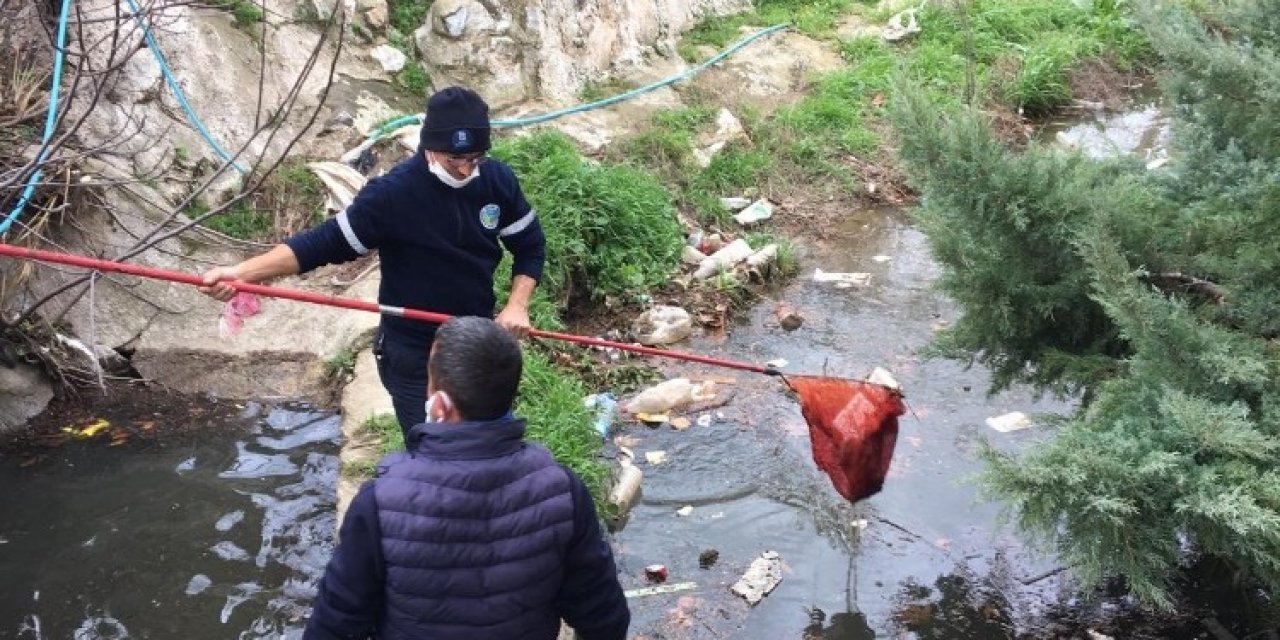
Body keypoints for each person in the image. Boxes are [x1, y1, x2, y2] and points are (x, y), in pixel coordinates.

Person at [201, 86, 546, 438]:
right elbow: (322, 244)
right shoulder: (392, 195)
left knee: (486, 444)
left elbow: (530, 246)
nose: (463, 169)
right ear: (428, 147)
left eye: (474, 158)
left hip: (474, 339)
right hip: (414, 352)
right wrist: (242, 273)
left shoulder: (497, 181)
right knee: (432, 451)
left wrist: (517, 305)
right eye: (453, 159)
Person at [303, 316, 630, 639]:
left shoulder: (379, 501)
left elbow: (335, 625)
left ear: (439, 402)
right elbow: (605, 617)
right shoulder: (562, 490)